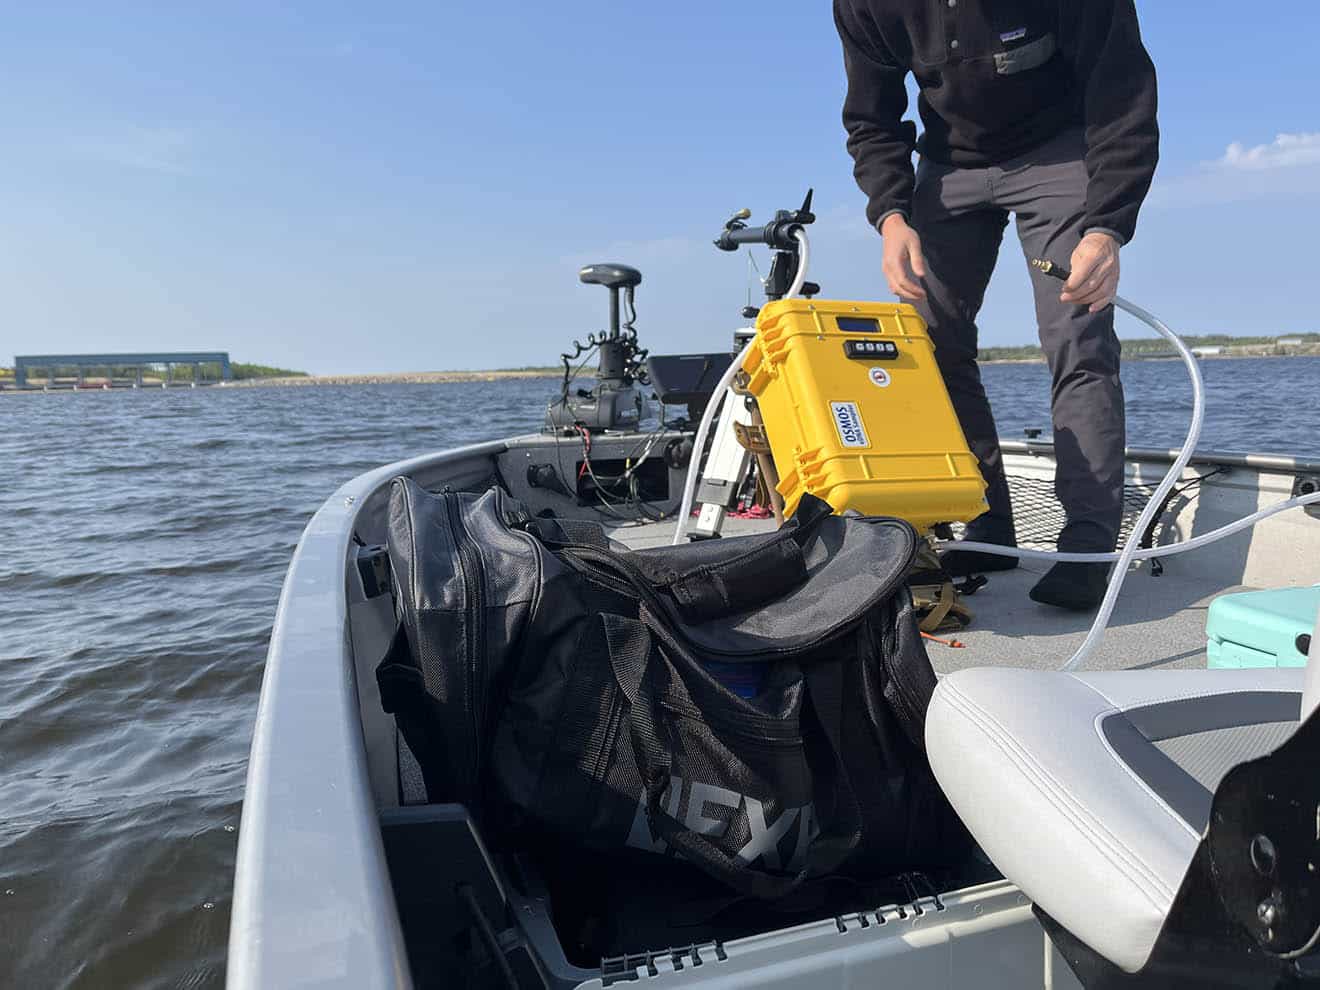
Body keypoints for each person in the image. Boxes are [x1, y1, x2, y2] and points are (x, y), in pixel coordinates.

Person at [834, 0, 1159, 610]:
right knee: (928, 343)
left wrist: (1106, 228)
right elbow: (872, 117)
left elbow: (1123, 92)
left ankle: (1088, 545)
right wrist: (892, 214)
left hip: (1061, 149)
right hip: (949, 165)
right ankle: (986, 526)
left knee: (1077, 335)